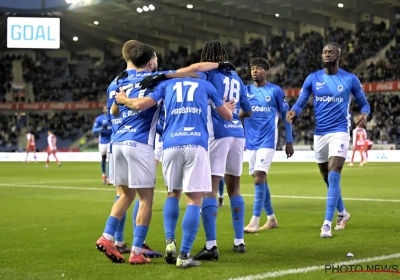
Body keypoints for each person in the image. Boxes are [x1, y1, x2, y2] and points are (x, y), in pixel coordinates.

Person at [97, 43, 236, 264]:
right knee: (152, 198)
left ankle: (116, 238)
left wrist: (122, 100)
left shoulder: (117, 81)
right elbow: (194, 69)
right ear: (151, 62)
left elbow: (113, 110)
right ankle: (144, 250)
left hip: (121, 142)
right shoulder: (162, 79)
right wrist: (222, 64)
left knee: (129, 194)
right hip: (146, 142)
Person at [287, 42, 370, 238]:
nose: (326, 54)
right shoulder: (313, 78)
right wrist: (293, 111)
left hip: (340, 131)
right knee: (326, 176)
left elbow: (364, 104)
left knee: (334, 173)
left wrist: (364, 115)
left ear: (338, 55)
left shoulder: (350, 79)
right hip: (320, 133)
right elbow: (301, 101)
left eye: (331, 52)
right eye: (324, 51)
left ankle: (326, 223)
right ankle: (343, 213)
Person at [193, 40, 252, 261]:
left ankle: (211, 245)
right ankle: (239, 241)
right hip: (237, 134)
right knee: (234, 187)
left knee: (210, 187)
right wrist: (234, 115)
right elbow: (249, 110)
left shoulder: (208, 74)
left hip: (216, 132)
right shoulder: (236, 77)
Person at [243, 57, 294, 234]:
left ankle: (254, 221)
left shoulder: (275, 91)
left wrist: (289, 141)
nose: (254, 71)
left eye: (258, 68)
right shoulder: (246, 90)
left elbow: (286, 116)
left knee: (258, 177)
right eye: (252, 68)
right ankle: (271, 218)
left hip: (267, 141)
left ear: (266, 71)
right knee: (260, 180)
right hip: (250, 142)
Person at [92, 106, 112, 184]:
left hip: (111, 141)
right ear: (103, 110)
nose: (107, 110)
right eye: (106, 108)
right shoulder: (99, 118)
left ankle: (109, 178)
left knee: (111, 159)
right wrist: (101, 128)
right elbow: (94, 130)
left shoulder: (113, 118)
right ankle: (104, 174)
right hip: (103, 141)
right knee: (103, 159)